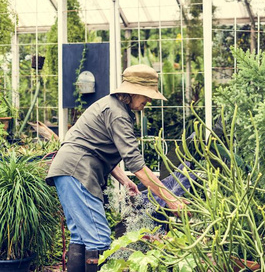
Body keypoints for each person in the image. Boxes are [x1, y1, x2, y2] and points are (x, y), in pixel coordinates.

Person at [46, 64, 187, 272]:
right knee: (99, 239)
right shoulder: (118, 113)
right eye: (146, 96)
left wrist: (125, 180)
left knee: (81, 237)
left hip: (68, 170)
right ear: (131, 92)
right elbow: (138, 166)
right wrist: (171, 199)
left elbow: (96, 147)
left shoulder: (111, 107)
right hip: (78, 171)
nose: (148, 101)